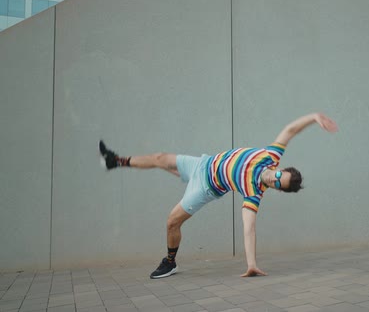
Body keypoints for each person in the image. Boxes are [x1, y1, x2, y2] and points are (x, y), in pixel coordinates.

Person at [99, 112, 338, 279]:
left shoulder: (254, 192)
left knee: (172, 221)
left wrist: (252, 264)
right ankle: (115, 161)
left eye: (278, 184)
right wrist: (314, 117)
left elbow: (249, 228)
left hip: (204, 187)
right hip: (203, 163)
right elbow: (290, 130)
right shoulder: (271, 154)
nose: (273, 179)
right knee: (161, 158)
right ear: (280, 170)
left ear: (277, 189)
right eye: (279, 176)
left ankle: (170, 262)